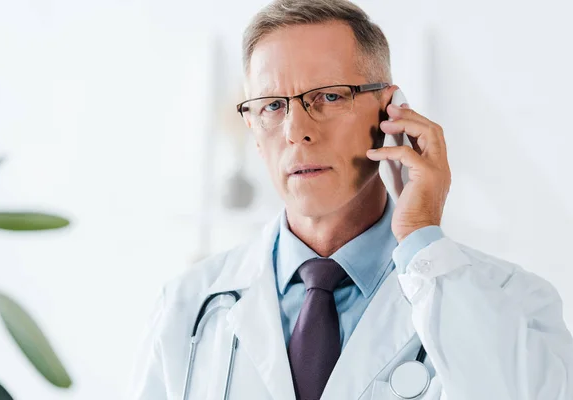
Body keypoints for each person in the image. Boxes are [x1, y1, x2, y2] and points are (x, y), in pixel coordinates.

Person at [129, 0, 573, 399]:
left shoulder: (511, 299)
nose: (296, 130)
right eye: (272, 105)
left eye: (327, 96)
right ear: (253, 130)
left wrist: (422, 238)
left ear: (389, 112)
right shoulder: (188, 306)